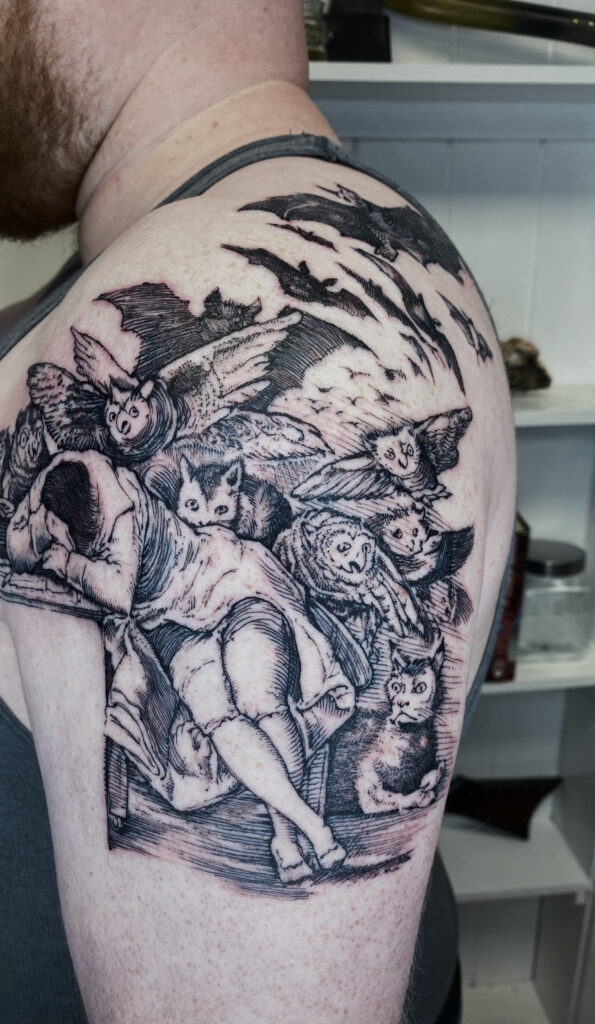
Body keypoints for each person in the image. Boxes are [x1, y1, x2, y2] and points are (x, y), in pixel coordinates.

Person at [0, 2, 515, 1022]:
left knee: (245, 696)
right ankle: (298, 827)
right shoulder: (122, 285)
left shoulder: (216, 262)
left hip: (236, 604)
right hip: (190, 626)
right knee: (224, 717)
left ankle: (295, 827)